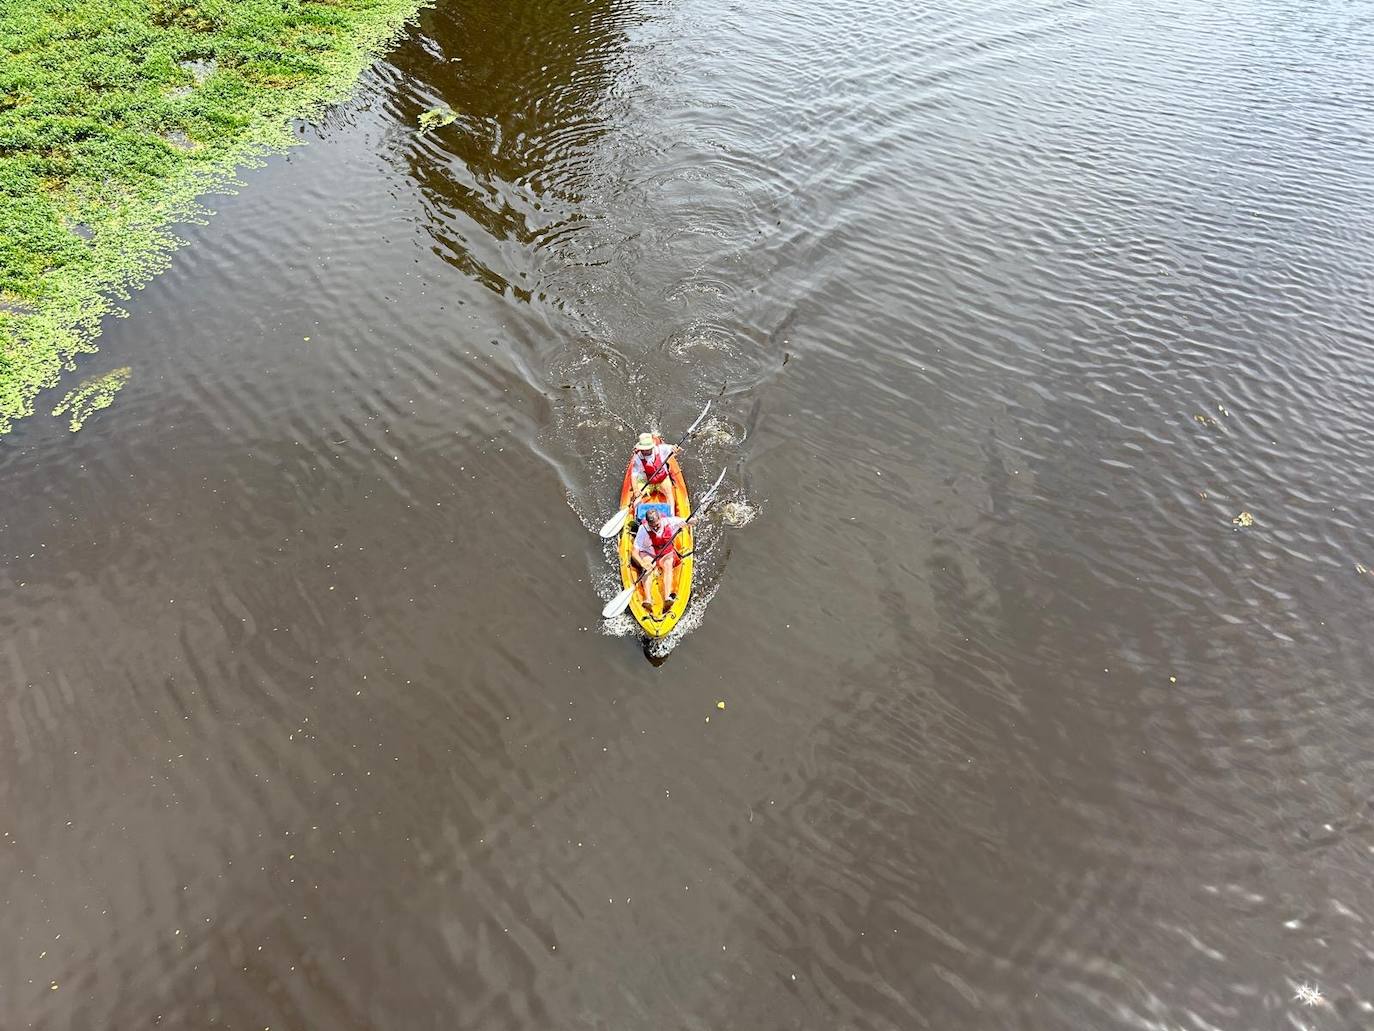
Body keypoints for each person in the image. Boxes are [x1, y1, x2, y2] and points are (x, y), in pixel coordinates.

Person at [632, 506, 687, 611]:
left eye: (657, 525)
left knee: (668, 564)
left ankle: (667, 597)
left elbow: (690, 521)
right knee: (647, 567)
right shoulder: (643, 529)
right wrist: (642, 564)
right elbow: (634, 553)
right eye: (652, 526)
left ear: (660, 519)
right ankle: (648, 599)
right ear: (647, 523)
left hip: (665, 554)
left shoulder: (671, 522)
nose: (655, 528)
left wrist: (693, 521)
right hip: (648, 553)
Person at [630, 432, 674, 513]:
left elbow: (674, 449)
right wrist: (636, 490)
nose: (644, 451)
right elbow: (634, 475)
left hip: (662, 479)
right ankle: (637, 516)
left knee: (669, 495)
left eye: (646, 449)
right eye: (642, 449)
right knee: (637, 499)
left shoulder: (661, 449)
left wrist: (676, 449)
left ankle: (671, 516)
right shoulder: (638, 458)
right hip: (646, 481)